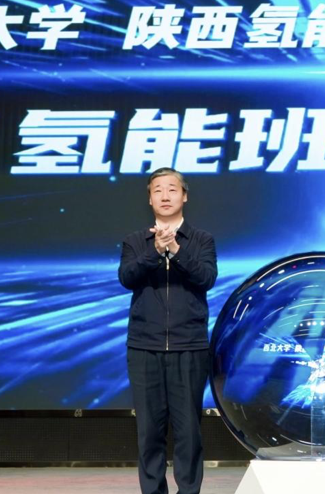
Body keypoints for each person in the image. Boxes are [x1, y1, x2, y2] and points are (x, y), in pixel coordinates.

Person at [118, 167, 217, 494]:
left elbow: (206, 278)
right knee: (149, 432)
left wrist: (176, 250)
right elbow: (127, 277)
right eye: (157, 190)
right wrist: (155, 251)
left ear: (184, 196)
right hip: (144, 347)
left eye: (172, 189)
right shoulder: (136, 241)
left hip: (189, 347)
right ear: (149, 198)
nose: (165, 196)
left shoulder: (201, 240)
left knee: (188, 431)